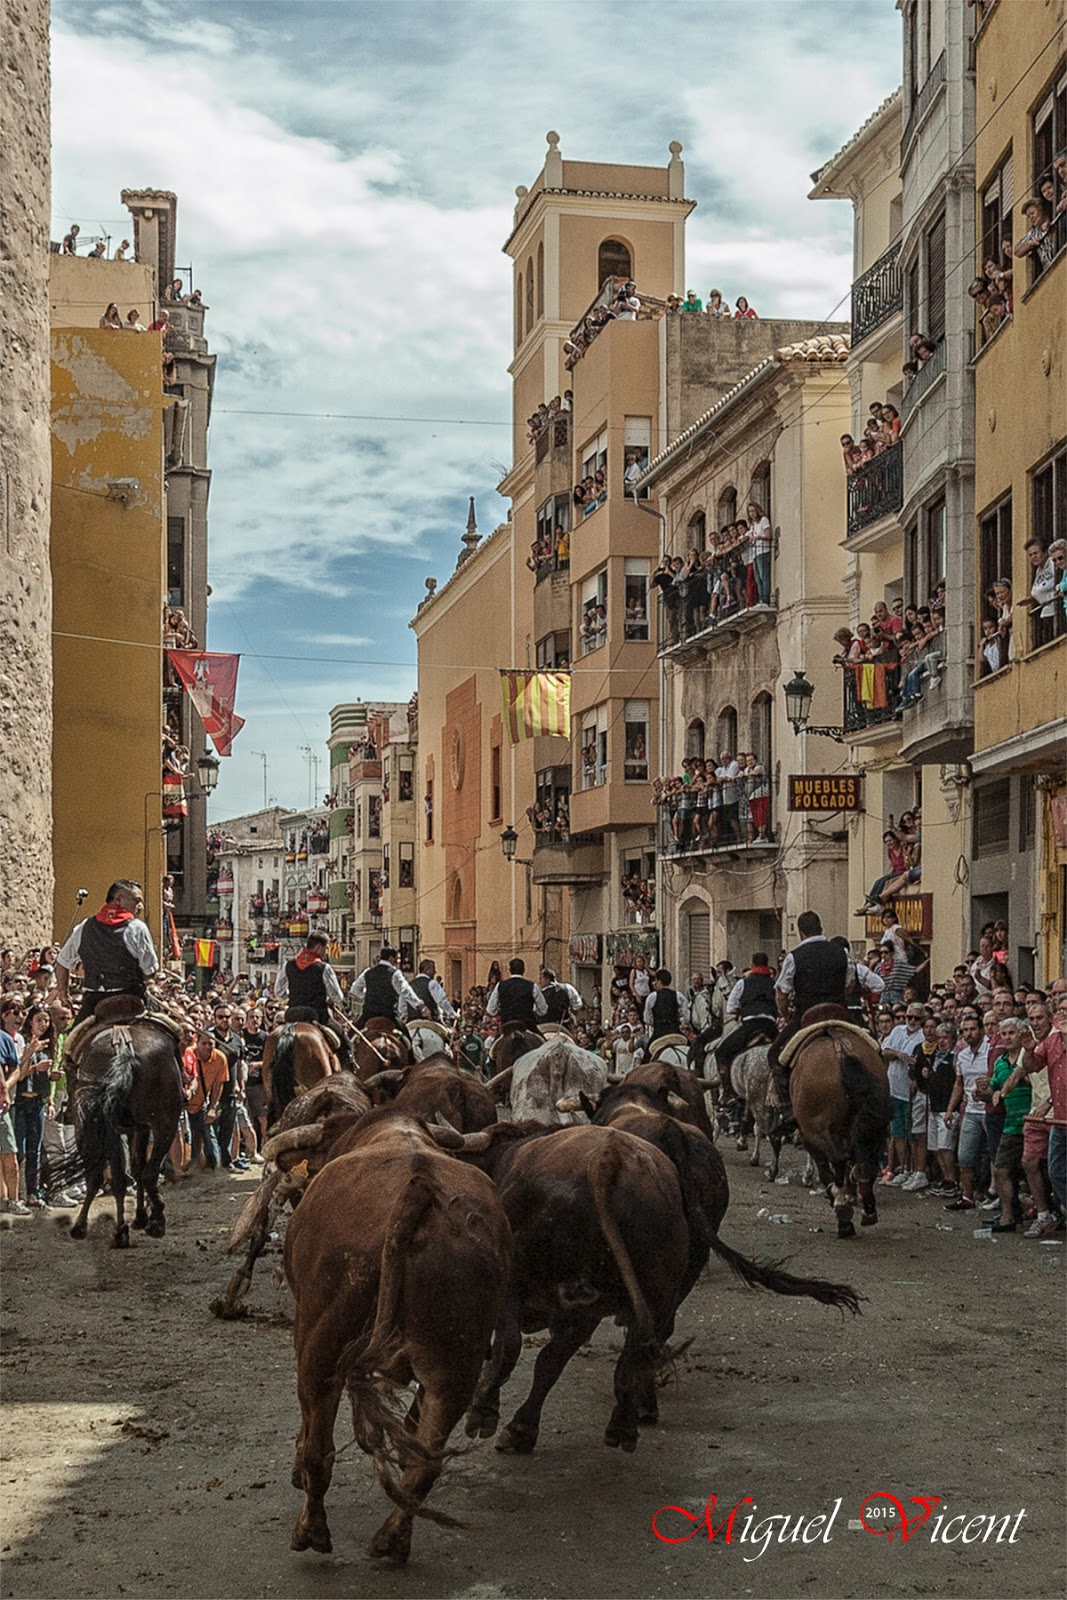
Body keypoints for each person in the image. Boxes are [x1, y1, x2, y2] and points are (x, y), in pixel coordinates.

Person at [768, 911, 849, 1117]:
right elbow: (850, 984)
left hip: (807, 1016)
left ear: (801, 932)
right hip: (839, 1014)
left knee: (774, 1055)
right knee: (874, 1047)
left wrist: (786, 1015)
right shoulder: (841, 952)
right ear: (821, 928)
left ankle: (788, 1110)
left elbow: (781, 994)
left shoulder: (794, 956)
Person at [56, 879, 159, 1027]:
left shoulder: (84, 926)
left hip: (94, 1003)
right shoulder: (137, 927)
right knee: (170, 1031)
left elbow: (62, 962)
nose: (140, 907)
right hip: (131, 1000)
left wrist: (63, 994)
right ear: (119, 899)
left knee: (72, 1040)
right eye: (136, 901)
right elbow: (150, 971)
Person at [715, 954, 778, 1101]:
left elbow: (730, 1007)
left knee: (721, 1053)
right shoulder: (774, 984)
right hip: (770, 1028)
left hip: (750, 1027)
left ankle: (728, 1092)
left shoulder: (743, 983)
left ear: (752, 964)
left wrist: (744, 1009)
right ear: (767, 964)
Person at [351, 945, 426, 1037]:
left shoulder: (368, 972)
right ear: (391, 958)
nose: (398, 961)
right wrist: (419, 1005)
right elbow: (406, 992)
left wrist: (367, 995)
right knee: (407, 1039)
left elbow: (354, 989)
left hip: (368, 1014)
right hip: (389, 1015)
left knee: (351, 1036)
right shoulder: (395, 974)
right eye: (397, 958)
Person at [273, 932, 344, 1026]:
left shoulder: (288, 965)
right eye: (326, 948)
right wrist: (330, 1000)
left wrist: (294, 996)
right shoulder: (324, 968)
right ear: (319, 947)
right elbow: (337, 996)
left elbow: (279, 992)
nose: (327, 952)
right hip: (316, 1014)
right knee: (341, 1033)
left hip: (292, 1013)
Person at [485, 958, 547, 1033]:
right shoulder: (532, 986)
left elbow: (490, 1010)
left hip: (506, 1026)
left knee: (494, 1040)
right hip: (528, 1025)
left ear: (510, 970)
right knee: (543, 1040)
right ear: (523, 970)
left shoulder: (500, 986)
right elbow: (543, 1010)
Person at [643, 968, 690, 1044]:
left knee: (647, 1050)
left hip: (659, 1033)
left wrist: (655, 1023)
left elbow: (647, 1019)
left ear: (659, 981)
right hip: (674, 1031)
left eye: (655, 980)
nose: (654, 983)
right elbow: (686, 1016)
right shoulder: (678, 995)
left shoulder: (652, 997)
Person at [410, 958, 456, 1024]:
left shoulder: (409, 985)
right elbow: (442, 1001)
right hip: (430, 1021)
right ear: (427, 970)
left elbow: (402, 1005)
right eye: (433, 969)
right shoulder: (432, 983)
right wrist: (452, 1014)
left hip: (412, 1021)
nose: (435, 972)